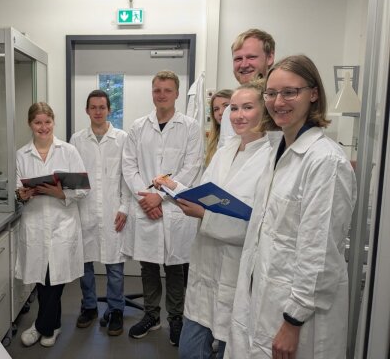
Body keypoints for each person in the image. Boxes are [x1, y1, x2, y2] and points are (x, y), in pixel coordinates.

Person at [226, 55, 357, 359]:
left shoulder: (325, 161)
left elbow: (319, 254)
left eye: (290, 92)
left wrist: (293, 320)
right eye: (271, 93)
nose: (278, 102)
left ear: (313, 94)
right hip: (264, 300)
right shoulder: (278, 151)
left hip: (298, 318)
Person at [152, 80, 271, 359]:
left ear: (264, 110)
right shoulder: (225, 151)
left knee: (230, 347)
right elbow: (205, 194)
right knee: (190, 349)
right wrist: (175, 189)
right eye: (234, 109)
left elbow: (258, 228)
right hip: (205, 265)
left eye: (247, 108)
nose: (238, 115)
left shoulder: (270, 157)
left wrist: (205, 215)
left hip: (236, 271)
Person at [122, 70, 203, 346]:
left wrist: (161, 196)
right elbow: (129, 166)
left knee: (175, 266)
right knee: (148, 265)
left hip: (174, 207)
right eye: (157, 90)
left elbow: (192, 167)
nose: (162, 95)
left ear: (177, 93)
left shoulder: (190, 127)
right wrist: (146, 198)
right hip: (147, 206)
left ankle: (175, 318)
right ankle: (151, 315)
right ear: (152, 93)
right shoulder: (138, 126)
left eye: (168, 90)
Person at [15, 102, 88, 348]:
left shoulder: (68, 151)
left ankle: (42, 326)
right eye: (38, 122)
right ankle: (51, 326)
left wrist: (61, 193)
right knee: (42, 278)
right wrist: (22, 194)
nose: (43, 127)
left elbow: (83, 189)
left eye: (47, 122)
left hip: (62, 224)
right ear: (30, 124)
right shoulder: (21, 155)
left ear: (53, 122)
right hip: (35, 224)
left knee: (55, 280)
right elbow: (17, 189)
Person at [70, 90, 131, 336]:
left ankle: (116, 310)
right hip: (84, 210)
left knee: (115, 266)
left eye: (102, 107)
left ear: (109, 110)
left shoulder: (122, 139)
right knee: (85, 264)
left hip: (112, 210)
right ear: (87, 110)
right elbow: (73, 177)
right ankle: (89, 306)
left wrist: (125, 207)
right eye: (93, 107)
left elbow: (127, 176)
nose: (97, 111)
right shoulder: (77, 140)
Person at [219, 29, 276, 148]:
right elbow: (223, 152)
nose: (244, 65)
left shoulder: (280, 108)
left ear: (270, 58)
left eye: (251, 57)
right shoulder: (229, 112)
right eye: (238, 59)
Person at [205, 89, 233, 166]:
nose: (221, 112)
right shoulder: (213, 142)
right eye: (216, 109)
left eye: (226, 106)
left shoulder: (245, 140)